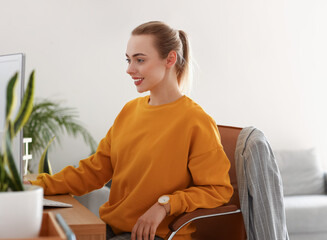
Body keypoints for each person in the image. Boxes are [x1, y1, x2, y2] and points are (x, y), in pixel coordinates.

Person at [29, 21, 233, 240]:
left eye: (140, 60)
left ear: (170, 59)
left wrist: (164, 205)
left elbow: (218, 189)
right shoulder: (129, 111)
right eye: (128, 60)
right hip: (113, 229)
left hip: (155, 236)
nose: (129, 69)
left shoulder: (196, 121)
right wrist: (35, 185)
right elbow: (94, 170)